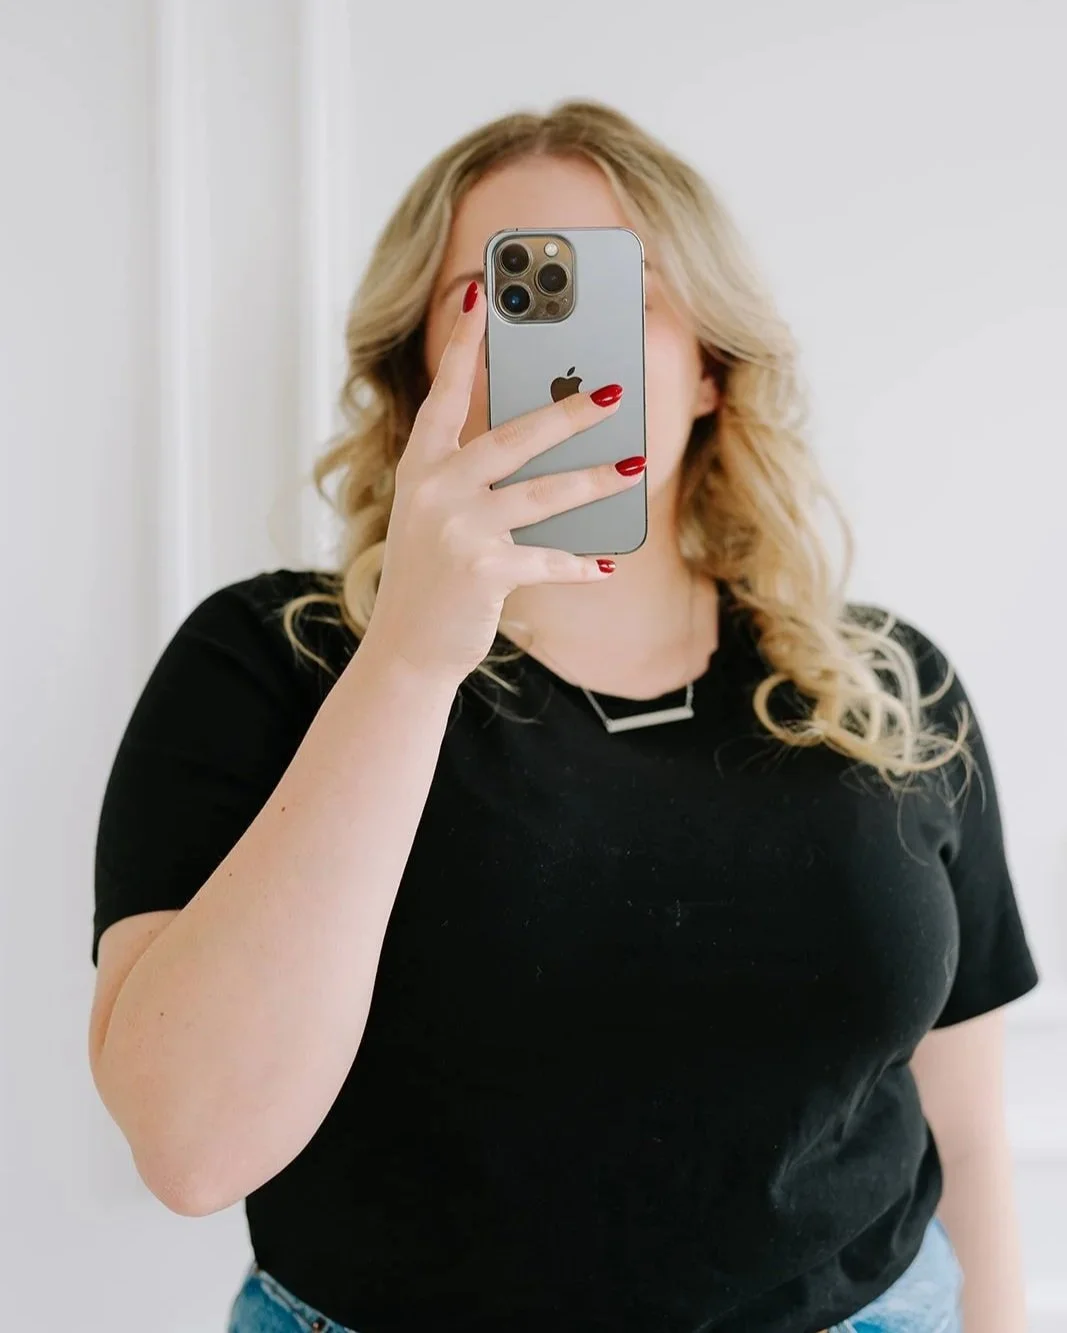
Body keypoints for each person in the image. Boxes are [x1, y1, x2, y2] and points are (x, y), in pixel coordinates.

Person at [87, 100, 1039, 1333]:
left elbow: (958, 1113)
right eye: (502, 297)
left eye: (614, 293)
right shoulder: (268, 662)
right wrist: (412, 661)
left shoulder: (883, 688)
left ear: (706, 369)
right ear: (418, 371)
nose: (562, 352)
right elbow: (190, 1147)